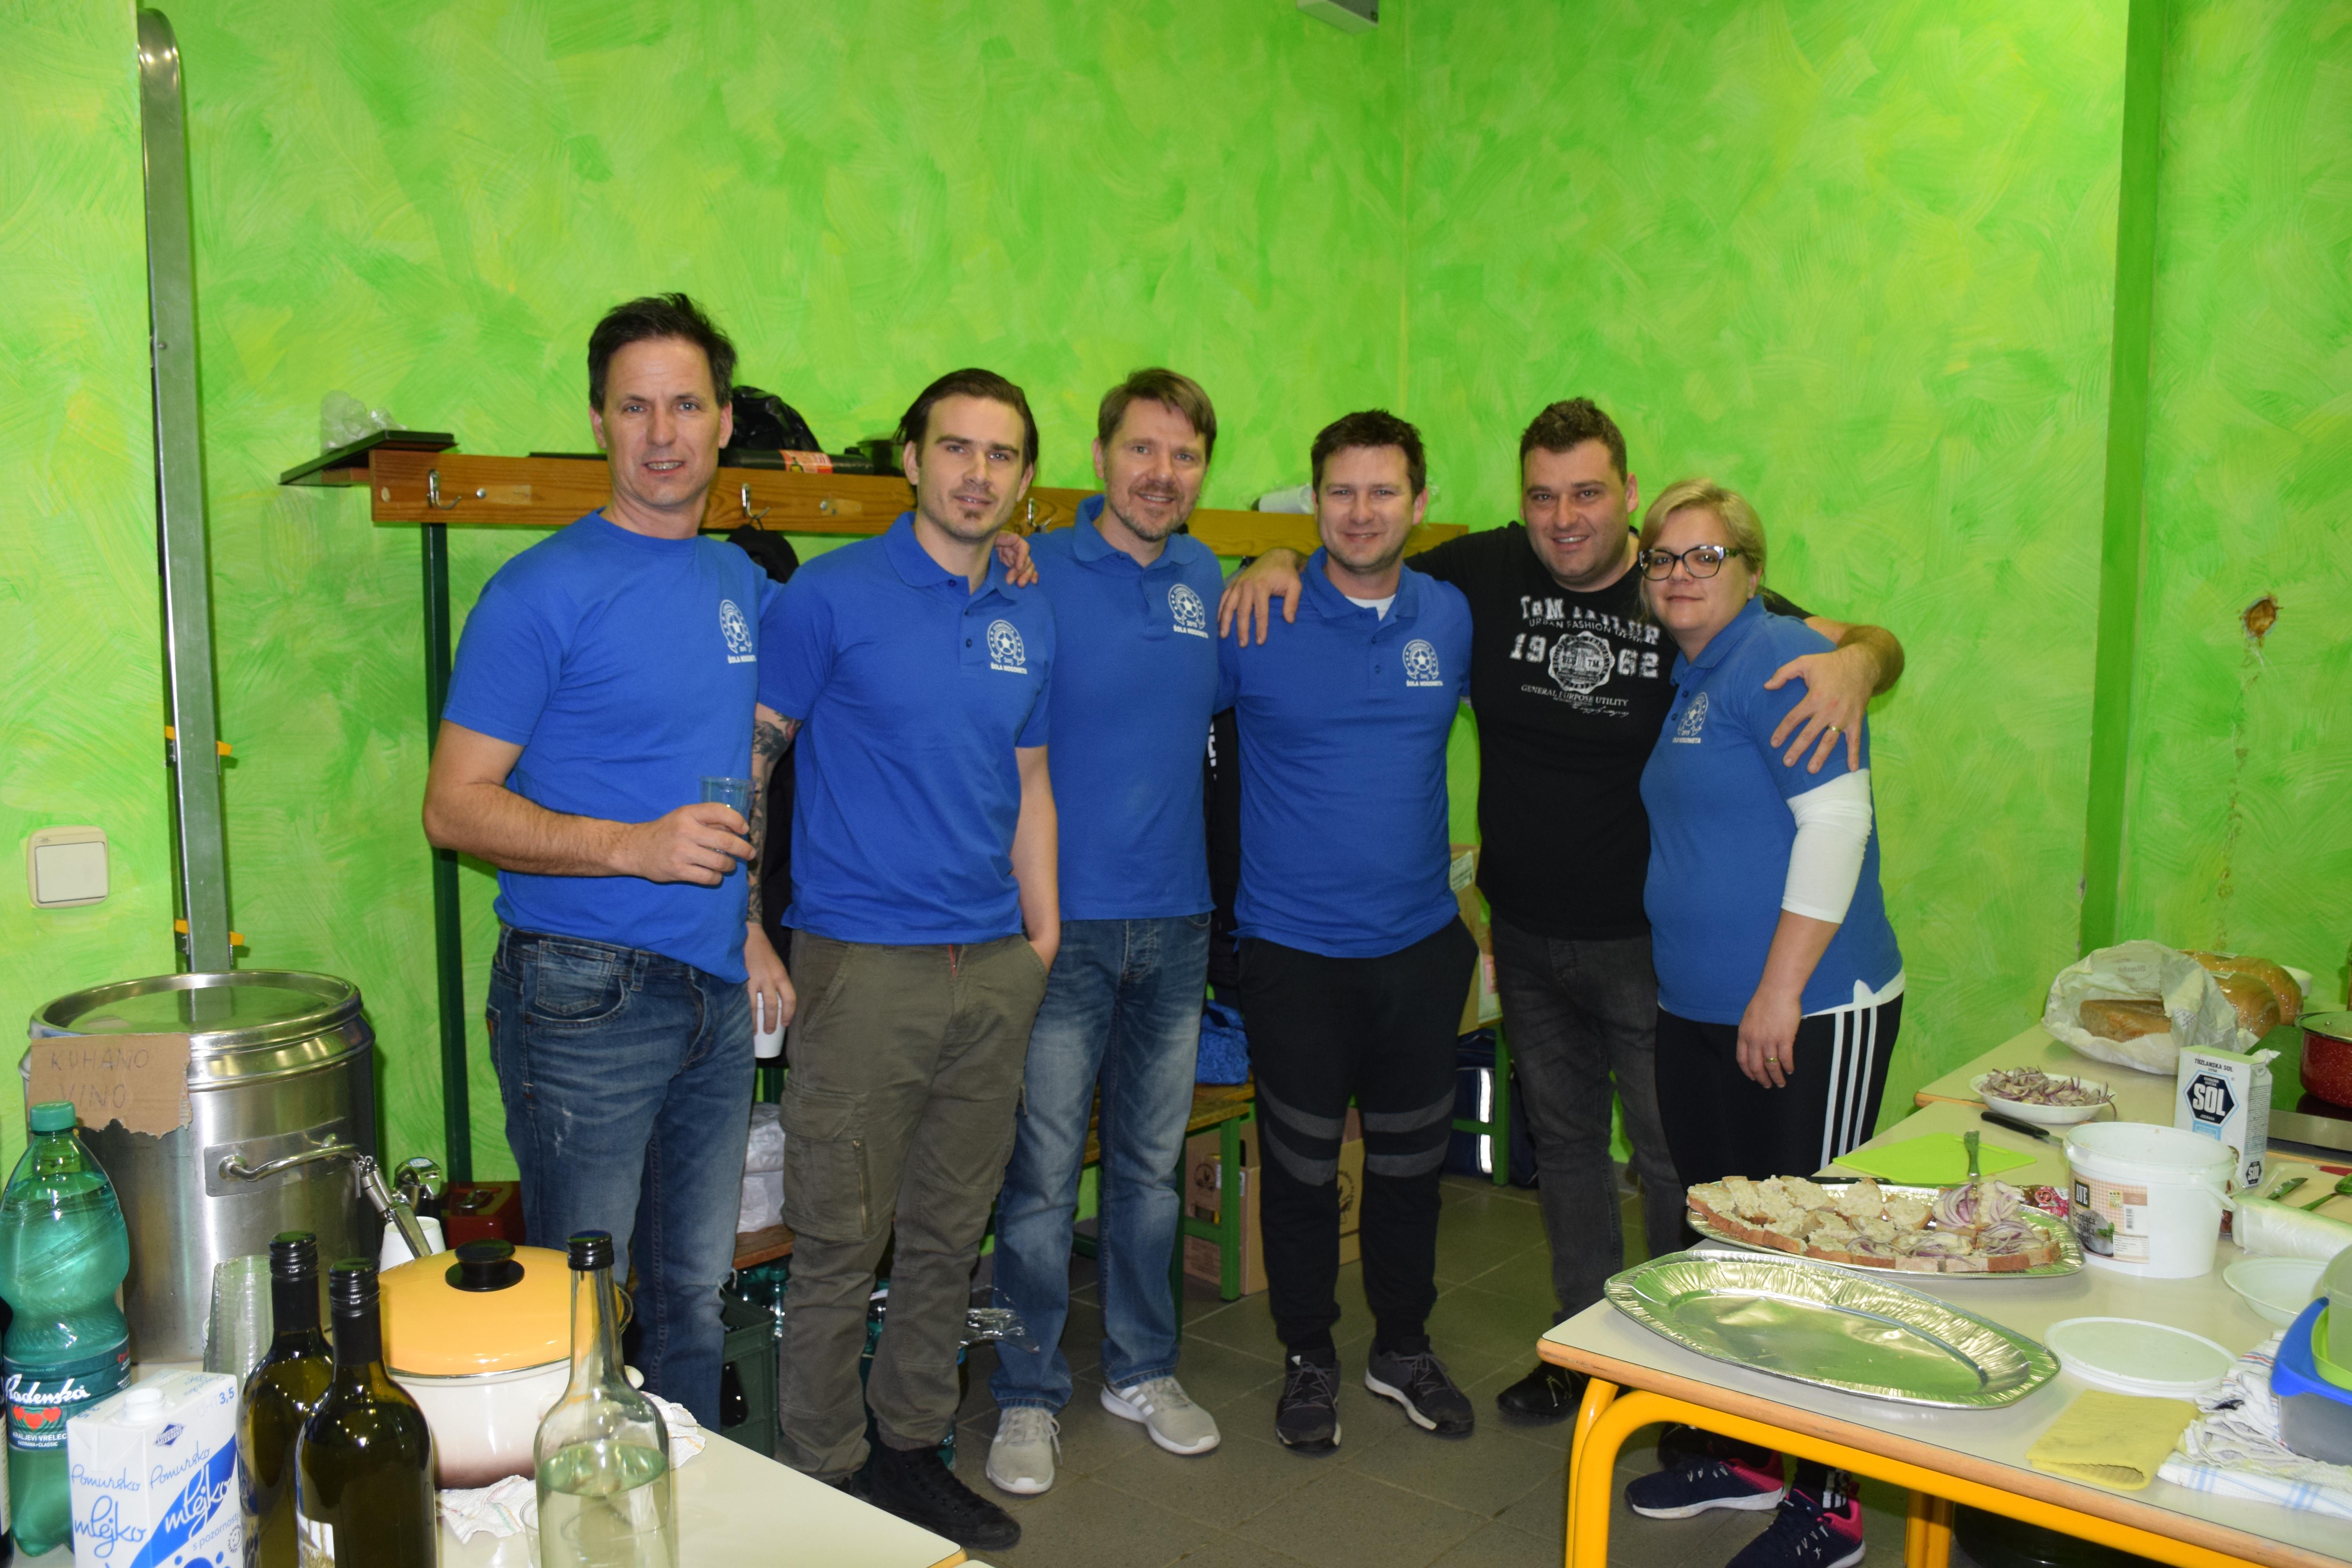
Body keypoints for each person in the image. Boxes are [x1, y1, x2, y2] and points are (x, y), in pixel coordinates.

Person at [1217, 399, 1906, 1424]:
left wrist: (1864, 661)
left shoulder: (1681, 585)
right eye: (1543, 496)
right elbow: (1357, 560)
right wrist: (1272, 557)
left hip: (1646, 945)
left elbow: (1851, 642)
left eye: (1587, 493)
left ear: (1629, 495)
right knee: (1570, 1154)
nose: (1565, 517)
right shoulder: (1479, 577)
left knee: (1671, 1163)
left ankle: (1683, 1371)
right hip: (1528, 935)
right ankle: (1587, 1352)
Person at [421, 294, 793, 1428]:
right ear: (598, 423)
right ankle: (579, 1511)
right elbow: (452, 808)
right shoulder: (539, 591)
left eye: (686, 405)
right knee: (584, 1310)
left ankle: (685, 1501)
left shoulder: (740, 585)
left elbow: (760, 746)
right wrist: (635, 848)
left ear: (724, 422)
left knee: (692, 1299)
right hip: (580, 996)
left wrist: (747, 926)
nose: (663, 433)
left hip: (714, 996)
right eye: (635, 407)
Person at [766, 368, 1059, 1553]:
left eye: (1002, 454)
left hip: (991, 965)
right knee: (842, 1242)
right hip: (862, 969)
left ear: (1025, 479)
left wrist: (1041, 936)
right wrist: (746, 927)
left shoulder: (1028, 614)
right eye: (957, 448)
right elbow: (754, 759)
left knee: (949, 1235)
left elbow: (1030, 780)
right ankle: (823, 1478)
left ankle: (910, 1453)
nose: (978, 473)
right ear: (911, 459)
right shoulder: (829, 597)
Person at [1624, 477, 1904, 1568]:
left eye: (1706, 556)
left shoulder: (1787, 659)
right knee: (1729, 1241)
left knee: (1808, 1253)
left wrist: (1780, 990)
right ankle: (1750, 1458)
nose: (1681, 574)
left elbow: (1836, 827)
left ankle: (1831, 1505)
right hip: (1701, 1012)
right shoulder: (1697, 675)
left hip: (1809, 1012)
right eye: (1664, 557)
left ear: (1750, 570)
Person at [984, 371, 1230, 1495]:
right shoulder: (1032, 572)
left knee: (1150, 1170)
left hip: (1177, 923)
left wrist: (1279, 564)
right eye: (1142, 450)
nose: (1161, 474)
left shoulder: (1206, 578)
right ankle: (1025, 1393)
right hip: (1060, 929)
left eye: (1184, 457)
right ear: (1100, 456)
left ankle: (1142, 1369)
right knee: (1038, 1179)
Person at [1218, 410, 1480, 1454]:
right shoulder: (1257, 615)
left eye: (1383, 492)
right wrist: (1266, 559)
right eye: (1341, 492)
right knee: (1301, 1171)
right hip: (1293, 954)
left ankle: (1402, 1348)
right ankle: (1308, 1356)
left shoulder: (1450, 615)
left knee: (1413, 1169)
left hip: (1419, 949)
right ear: (1313, 501)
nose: (1361, 512)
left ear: (1419, 503)